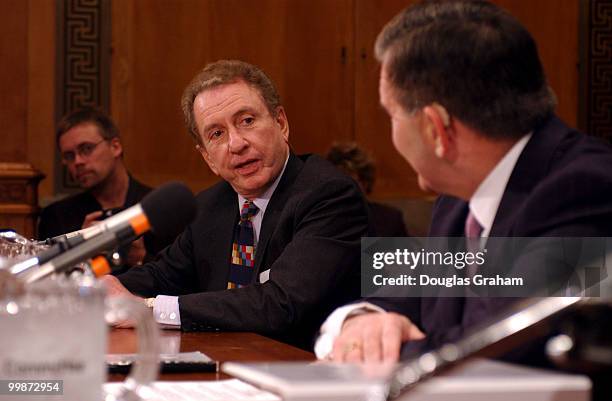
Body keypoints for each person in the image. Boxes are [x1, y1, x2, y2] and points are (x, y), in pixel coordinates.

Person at [316, 0, 612, 365]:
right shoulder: (457, 197)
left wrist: (376, 352)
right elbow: (403, 296)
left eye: (390, 115)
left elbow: (505, 350)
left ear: (436, 128)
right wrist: (363, 321)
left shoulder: (586, 189)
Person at [101, 60, 368, 350]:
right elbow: (161, 275)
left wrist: (149, 310)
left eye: (247, 121)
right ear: (207, 158)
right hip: (223, 368)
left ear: (281, 123)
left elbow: (279, 303)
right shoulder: (208, 206)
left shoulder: (328, 194)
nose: (236, 143)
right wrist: (96, 292)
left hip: (304, 373)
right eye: (217, 134)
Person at [38, 107, 170, 268]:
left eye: (86, 148)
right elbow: (48, 286)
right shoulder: (57, 216)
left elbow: (182, 280)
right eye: (69, 156)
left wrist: (140, 257)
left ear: (115, 147)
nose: (77, 162)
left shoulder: (159, 208)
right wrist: (79, 250)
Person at [326, 141, 408, 237]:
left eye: (352, 182)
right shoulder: (320, 221)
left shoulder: (390, 220)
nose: (345, 190)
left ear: (365, 183)